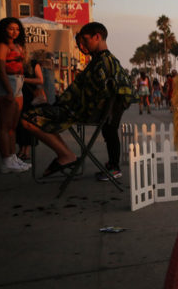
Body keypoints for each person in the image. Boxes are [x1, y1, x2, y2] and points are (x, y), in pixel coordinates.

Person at [21, 22, 134, 178]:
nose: (83, 46)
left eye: (85, 41)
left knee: (29, 118)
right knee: (109, 131)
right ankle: (71, 156)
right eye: (80, 43)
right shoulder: (105, 61)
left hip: (81, 112)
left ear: (97, 37)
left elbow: (112, 95)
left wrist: (65, 106)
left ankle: (66, 155)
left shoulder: (104, 63)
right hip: (85, 112)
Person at [0, 17, 31, 173]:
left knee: (13, 126)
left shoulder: (18, 46)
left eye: (17, 29)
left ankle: (13, 158)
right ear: (3, 29)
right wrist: (8, 91)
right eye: (11, 28)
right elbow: (1, 70)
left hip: (18, 83)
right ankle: (6, 160)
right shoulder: (1, 46)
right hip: (6, 85)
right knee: (5, 126)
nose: (14, 32)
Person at [15, 53, 47, 161]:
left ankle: (26, 151)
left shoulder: (33, 64)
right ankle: (21, 149)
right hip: (17, 96)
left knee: (28, 123)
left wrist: (23, 79)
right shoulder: (13, 64)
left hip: (30, 98)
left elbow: (40, 80)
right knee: (18, 124)